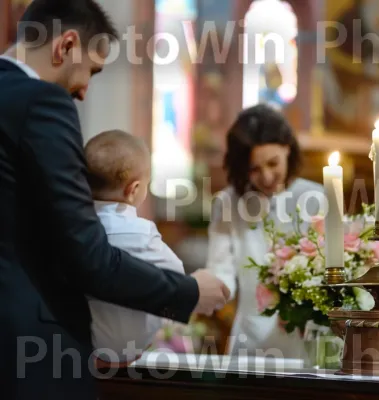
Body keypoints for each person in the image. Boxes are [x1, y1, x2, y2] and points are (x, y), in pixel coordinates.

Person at [0, 1, 229, 399]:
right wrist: (188, 292)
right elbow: (85, 254)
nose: (85, 91)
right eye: (91, 70)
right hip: (30, 351)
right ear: (65, 45)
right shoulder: (42, 102)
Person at [207, 104, 324, 360]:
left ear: (288, 149)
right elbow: (220, 270)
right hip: (251, 338)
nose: (267, 176)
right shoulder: (228, 203)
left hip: (306, 333)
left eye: (273, 163)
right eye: (254, 169)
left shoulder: (315, 197)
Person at [84, 130, 185, 365]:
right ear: (134, 189)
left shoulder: (76, 231)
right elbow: (177, 280)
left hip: (82, 352)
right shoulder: (141, 233)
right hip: (132, 350)